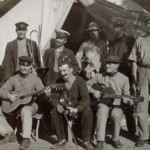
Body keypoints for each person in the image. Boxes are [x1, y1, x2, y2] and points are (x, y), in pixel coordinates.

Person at [0, 56, 50, 150]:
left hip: (32, 106)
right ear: (19, 65)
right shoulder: (13, 79)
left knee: (25, 110)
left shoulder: (36, 79)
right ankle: (9, 133)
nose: (25, 67)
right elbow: (1, 90)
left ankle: (26, 138)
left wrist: (47, 94)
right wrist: (8, 95)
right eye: (23, 65)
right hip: (16, 106)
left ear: (31, 66)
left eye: (27, 66)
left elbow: (42, 97)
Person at [87, 55, 132, 150]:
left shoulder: (124, 79)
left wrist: (127, 101)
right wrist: (93, 91)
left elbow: (127, 96)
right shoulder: (99, 76)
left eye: (109, 64)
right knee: (102, 110)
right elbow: (86, 85)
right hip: (103, 103)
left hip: (117, 105)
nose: (106, 66)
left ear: (117, 65)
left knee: (116, 113)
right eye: (106, 63)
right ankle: (100, 141)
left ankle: (115, 139)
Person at [49, 56, 93, 150]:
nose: (62, 73)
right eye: (60, 71)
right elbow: (54, 98)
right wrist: (57, 105)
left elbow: (86, 99)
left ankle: (85, 141)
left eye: (64, 70)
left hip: (77, 108)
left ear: (71, 69)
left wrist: (77, 109)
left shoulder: (80, 81)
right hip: (65, 107)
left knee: (88, 111)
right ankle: (61, 139)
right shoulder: (59, 81)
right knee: (54, 112)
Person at [128, 17, 150, 147]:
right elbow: (134, 60)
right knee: (142, 104)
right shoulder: (139, 40)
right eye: (148, 24)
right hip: (143, 72)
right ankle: (143, 136)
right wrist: (134, 79)